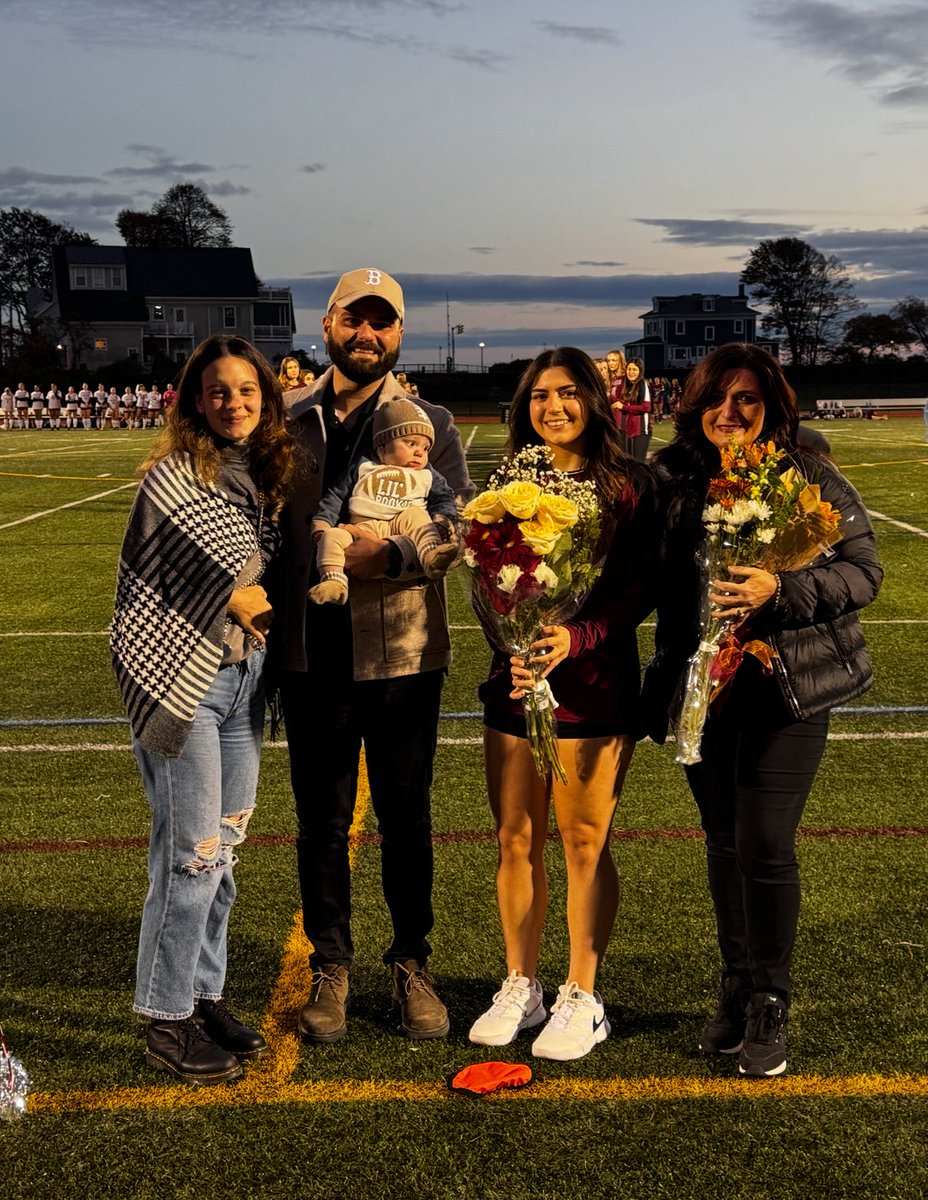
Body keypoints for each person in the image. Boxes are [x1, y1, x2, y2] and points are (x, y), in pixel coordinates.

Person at [641, 343, 882, 1078]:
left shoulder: (810, 471)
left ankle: (772, 998)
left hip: (788, 685)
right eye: (717, 398)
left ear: (773, 405)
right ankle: (737, 983)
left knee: (766, 842)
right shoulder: (672, 477)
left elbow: (863, 571)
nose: (730, 412)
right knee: (723, 842)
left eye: (747, 398)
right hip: (706, 690)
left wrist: (782, 593)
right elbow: (642, 579)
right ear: (695, 406)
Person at [271, 267, 473, 1043]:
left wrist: (377, 559)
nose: (367, 334)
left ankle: (411, 964)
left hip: (405, 652)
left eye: (381, 323)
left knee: (406, 817)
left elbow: (454, 533)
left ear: (398, 334)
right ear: (326, 326)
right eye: (353, 320)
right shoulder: (286, 418)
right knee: (320, 823)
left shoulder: (432, 422)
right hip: (310, 651)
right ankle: (332, 967)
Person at [110, 333, 294, 1085]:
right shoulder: (172, 477)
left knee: (226, 851)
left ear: (266, 397)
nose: (234, 403)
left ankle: (202, 990)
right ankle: (165, 1019)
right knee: (191, 858)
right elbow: (154, 581)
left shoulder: (265, 474)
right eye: (218, 391)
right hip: (187, 683)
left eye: (247, 391)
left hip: (246, 684)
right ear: (194, 399)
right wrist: (230, 594)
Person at [468, 347, 654, 1062]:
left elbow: (642, 586)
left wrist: (577, 637)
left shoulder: (630, 485)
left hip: (595, 683)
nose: (554, 407)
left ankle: (584, 993)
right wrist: (513, 638)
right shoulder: (509, 479)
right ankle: (522, 982)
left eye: (569, 393)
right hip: (516, 678)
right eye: (540, 395)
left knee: (582, 842)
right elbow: (491, 575)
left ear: (596, 401)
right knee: (515, 836)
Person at [309, 398, 459, 605]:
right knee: (332, 536)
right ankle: (334, 580)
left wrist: (443, 522)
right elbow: (336, 495)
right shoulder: (363, 467)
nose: (419, 452)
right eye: (411, 443)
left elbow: (444, 498)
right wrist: (323, 524)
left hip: (402, 530)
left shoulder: (427, 474)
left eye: (425, 448)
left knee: (417, 516)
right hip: (361, 526)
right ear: (382, 446)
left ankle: (430, 554)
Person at [614, 357, 651, 462]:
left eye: (634, 369)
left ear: (640, 370)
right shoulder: (625, 384)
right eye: (629, 369)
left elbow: (646, 407)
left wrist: (624, 407)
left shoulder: (642, 384)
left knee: (638, 464)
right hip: (627, 430)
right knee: (628, 463)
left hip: (641, 430)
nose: (631, 372)